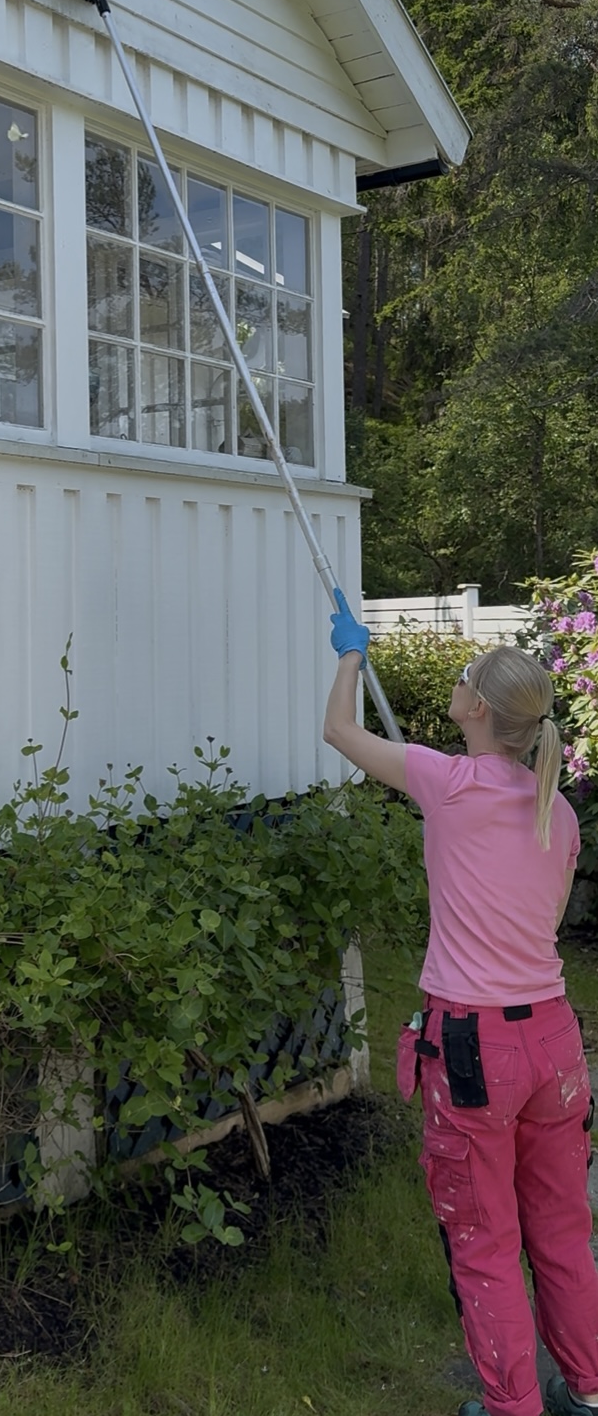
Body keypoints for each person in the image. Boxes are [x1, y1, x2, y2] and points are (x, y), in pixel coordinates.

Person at [324, 590, 598, 1416]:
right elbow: (544, 921)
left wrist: (350, 653)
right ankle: (589, 1390)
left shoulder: (445, 781)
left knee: (484, 1240)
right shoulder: (557, 811)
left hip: (477, 1050)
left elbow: (339, 731)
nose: (457, 680)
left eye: (464, 674)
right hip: (554, 1042)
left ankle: (514, 1407)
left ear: (477, 706)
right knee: (561, 1230)